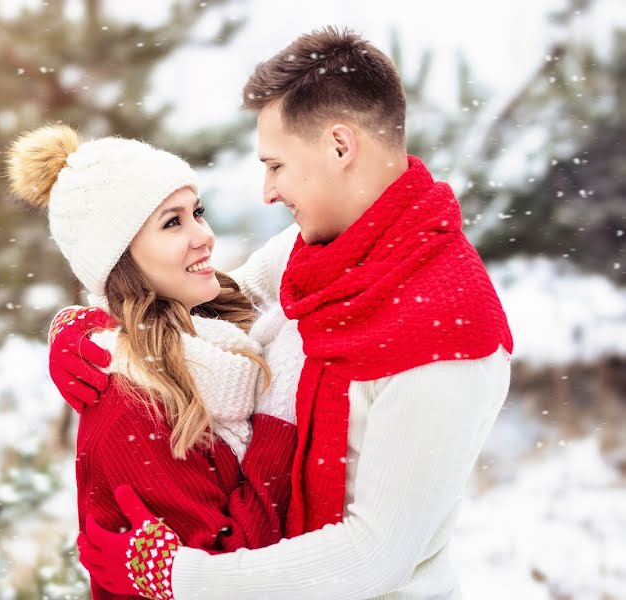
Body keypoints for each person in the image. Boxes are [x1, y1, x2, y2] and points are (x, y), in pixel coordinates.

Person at [51, 27, 514, 599]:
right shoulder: (325, 250)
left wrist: (180, 576)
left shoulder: (448, 335)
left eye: (276, 165)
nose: (268, 191)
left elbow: (376, 556)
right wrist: (93, 330)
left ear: (340, 146)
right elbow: (206, 299)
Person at [5, 124, 297, 599]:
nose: (204, 235)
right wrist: (278, 420)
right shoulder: (132, 407)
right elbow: (236, 571)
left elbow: (310, 246)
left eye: (196, 212)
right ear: (120, 261)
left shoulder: (215, 334)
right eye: (172, 222)